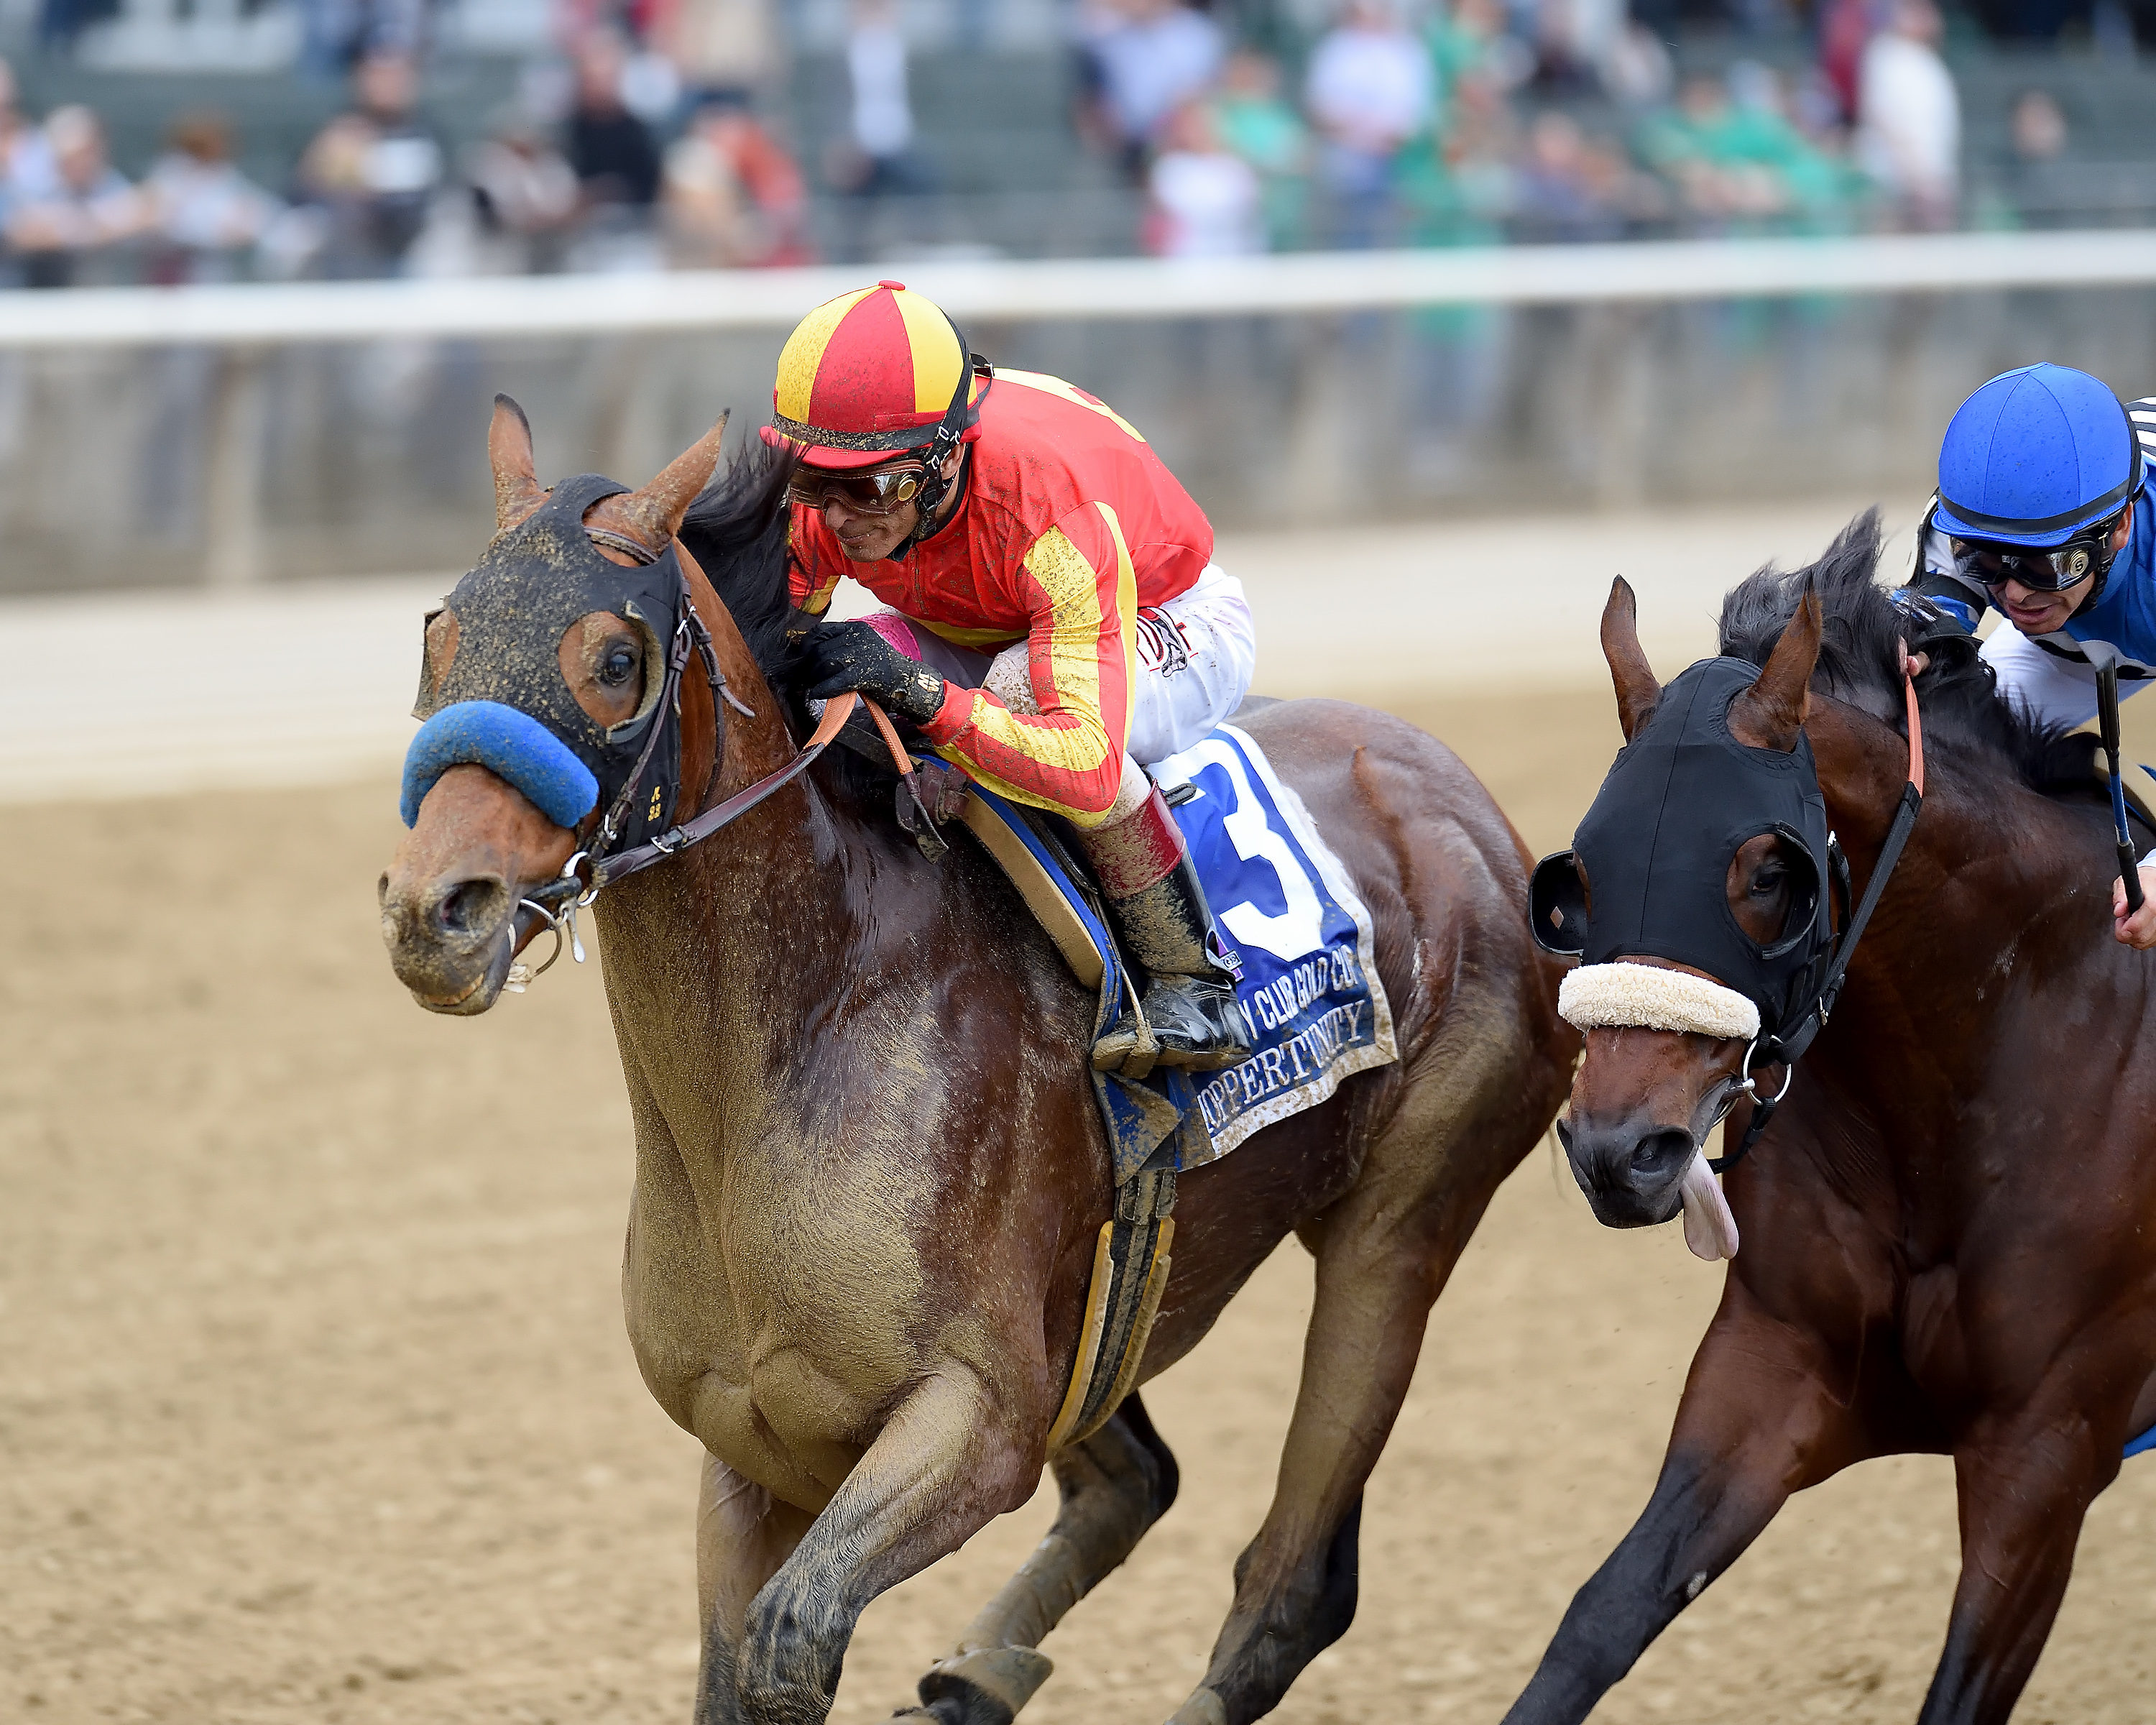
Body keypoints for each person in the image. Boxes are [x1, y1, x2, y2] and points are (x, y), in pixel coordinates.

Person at [769, 281, 1258, 1073]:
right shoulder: (837, 496)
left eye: (866, 488)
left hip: (1169, 615)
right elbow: (768, 654)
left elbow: (1087, 767)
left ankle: (1191, 980)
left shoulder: (1046, 510)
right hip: (994, 619)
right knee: (829, 681)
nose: (834, 517)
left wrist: (927, 698)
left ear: (947, 457)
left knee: (1023, 689)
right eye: (809, 481)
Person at [1897, 363, 2156, 944]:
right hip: (2099, 619)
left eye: (2044, 565)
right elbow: (1922, 625)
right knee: (1940, 740)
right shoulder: (1970, 511)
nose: (2013, 593)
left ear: (2120, 527)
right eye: (1984, 560)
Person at [295, 50, 444, 276]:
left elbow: (432, 195)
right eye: (378, 74)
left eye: (396, 75)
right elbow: (302, 192)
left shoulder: (425, 130)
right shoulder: (340, 126)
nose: (387, 84)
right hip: (349, 255)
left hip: (411, 252)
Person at [1304, 0, 1435, 248]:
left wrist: (1390, 137)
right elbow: (1323, 108)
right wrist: (1362, 135)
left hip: (1400, 157)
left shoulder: (1407, 47)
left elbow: (1419, 110)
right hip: (1348, 158)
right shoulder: (1336, 47)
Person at [6, 105, 144, 288]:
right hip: (39, 298)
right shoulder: (35, 187)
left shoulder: (114, 186)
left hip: (106, 298)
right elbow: (21, 234)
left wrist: (73, 227)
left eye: (83, 152)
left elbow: (142, 218)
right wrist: (93, 226)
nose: (76, 162)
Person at [142, 111, 284, 284]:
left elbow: (259, 215)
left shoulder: (224, 175)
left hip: (215, 273)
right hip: (174, 272)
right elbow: (160, 222)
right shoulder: (169, 176)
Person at [1854, 0, 1958, 230]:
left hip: (1931, 183)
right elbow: (1887, 120)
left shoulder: (1929, 60)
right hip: (1893, 182)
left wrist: (1934, 180)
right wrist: (1916, 176)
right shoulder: (1886, 54)